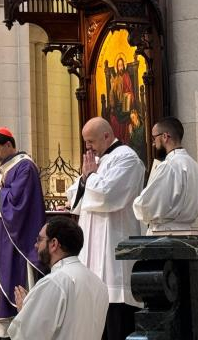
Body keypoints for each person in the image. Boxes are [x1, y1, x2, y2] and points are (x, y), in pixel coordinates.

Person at [66, 117, 143, 340]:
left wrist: (89, 177)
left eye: (90, 141)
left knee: (116, 318)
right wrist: (84, 178)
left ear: (107, 136)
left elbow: (108, 196)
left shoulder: (127, 159)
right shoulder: (98, 161)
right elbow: (75, 196)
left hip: (114, 247)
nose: (87, 146)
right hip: (92, 244)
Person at [0, 127, 46, 338]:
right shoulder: (3, 169)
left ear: (9, 144)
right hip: (0, 238)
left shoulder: (24, 166)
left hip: (16, 238)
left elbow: (19, 202)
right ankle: (1, 329)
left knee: (14, 279)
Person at [8, 217, 109, 340]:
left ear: (54, 244)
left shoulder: (54, 282)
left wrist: (25, 312)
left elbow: (27, 336)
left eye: (39, 240)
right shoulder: (99, 284)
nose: (36, 245)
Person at [133, 116, 198, 234]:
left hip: (164, 234)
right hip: (189, 233)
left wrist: (137, 202)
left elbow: (147, 205)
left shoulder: (169, 166)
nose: (153, 143)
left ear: (165, 136)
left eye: (154, 138)